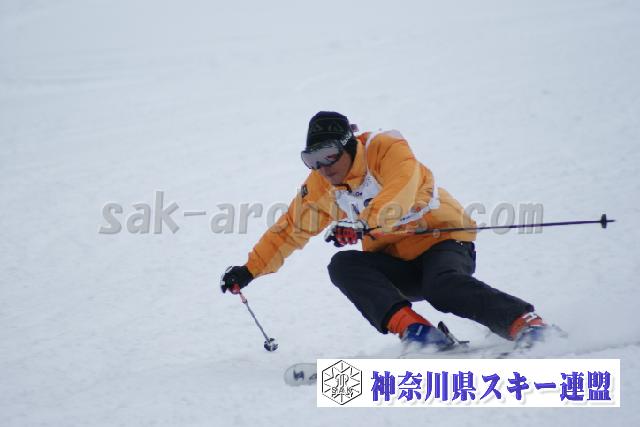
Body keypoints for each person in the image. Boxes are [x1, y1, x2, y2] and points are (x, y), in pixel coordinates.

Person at [221, 111, 546, 349]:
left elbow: (401, 190)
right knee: (343, 265)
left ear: (349, 146)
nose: (322, 167)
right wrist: (249, 270)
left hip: (443, 240)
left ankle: (525, 324)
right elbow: (290, 229)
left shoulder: (386, 149)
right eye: (311, 159)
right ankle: (420, 335)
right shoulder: (322, 186)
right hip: (397, 262)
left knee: (441, 287)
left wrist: (362, 223)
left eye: (328, 155)